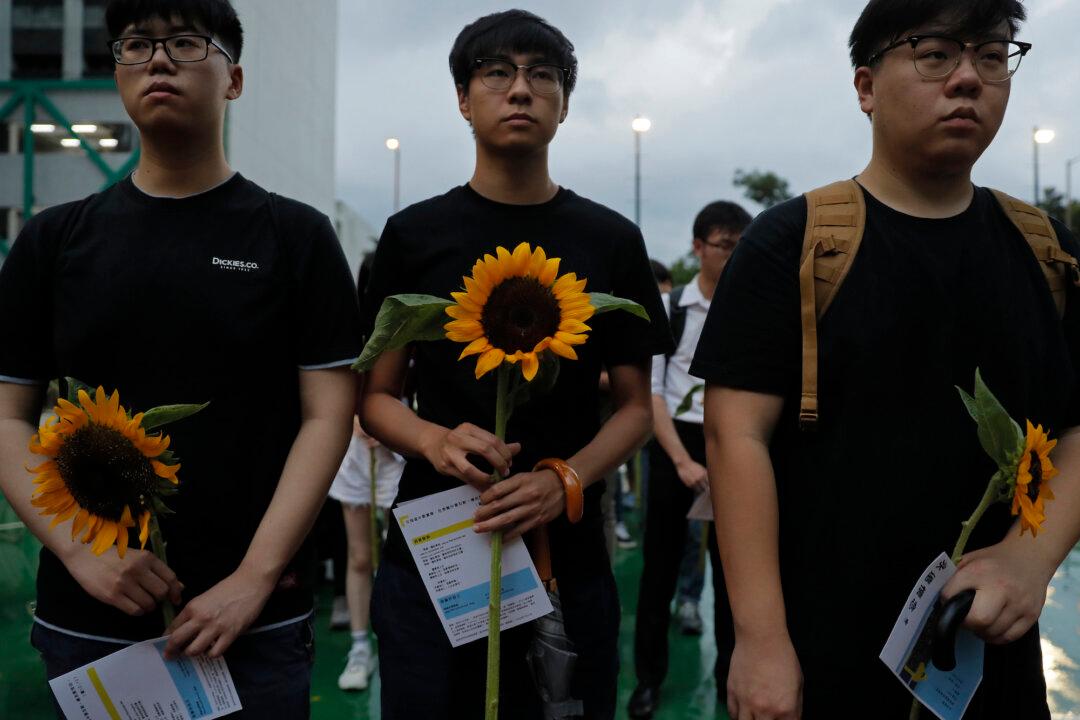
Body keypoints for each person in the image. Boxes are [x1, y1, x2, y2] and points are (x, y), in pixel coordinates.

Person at [691, 1, 1080, 718]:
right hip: (820, 656)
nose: (968, 77)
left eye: (992, 57)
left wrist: (1031, 557)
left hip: (988, 658)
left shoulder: (1046, 251)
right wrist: (761, 641)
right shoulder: (793, 244)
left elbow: (1076, 427)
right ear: (866, 87)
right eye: (935, 53)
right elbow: (733, 436)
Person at [0, 1, 360, 717]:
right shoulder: (53, 241)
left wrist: (255, 577)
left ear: (235, 80)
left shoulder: (295, 237)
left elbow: (328, 415)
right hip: (89, 619)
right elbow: (8, 416)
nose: (158, 59)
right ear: (118, 74)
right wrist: (79, 552)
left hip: (250, 623)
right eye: (136, 45)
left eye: (186, 42)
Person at [358, 10, 671, 719]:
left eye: (543, 75)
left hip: (565, 554)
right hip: (436, 548)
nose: (520, 90)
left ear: (564, 102)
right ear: (464, 99)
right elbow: (375, 397)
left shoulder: (610, 241)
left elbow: (634, 407)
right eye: (497, 73)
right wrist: (435, 440)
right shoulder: (413, 236)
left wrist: (563, 480)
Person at [629, 201, 750, 719]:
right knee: (658, 568)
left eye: (740, 246)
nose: (733, 256)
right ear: (698, 247)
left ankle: (730, 678)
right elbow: (651, 395)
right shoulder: (671, 309)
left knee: (735, 571)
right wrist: (680, 460)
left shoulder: (753, 306)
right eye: (725, 246)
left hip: (734, 444)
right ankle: (648, 680)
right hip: (675, 445)